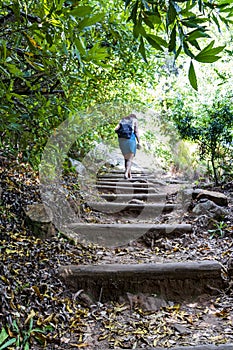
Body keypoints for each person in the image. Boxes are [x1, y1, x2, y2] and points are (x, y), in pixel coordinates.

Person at [115, 113, 141, 179]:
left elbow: (116, 129)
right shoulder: (135, 120)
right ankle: (126, 173)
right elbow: (136, 131)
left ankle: (129, 174)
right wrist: (139, 142)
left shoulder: (122, 120)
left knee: (126, 158)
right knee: (130, 158)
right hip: (131, 140)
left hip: (122, 141)